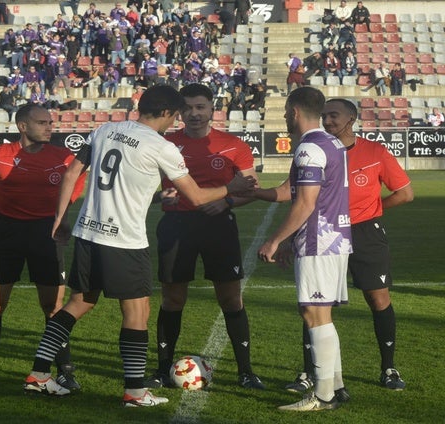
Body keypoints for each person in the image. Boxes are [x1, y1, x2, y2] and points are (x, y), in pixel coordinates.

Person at [22, 85, 256, 406]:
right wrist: (232, 186)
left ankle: (39, 374)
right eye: (175, 115)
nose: (175, 121)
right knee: (137, 312)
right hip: (124, 240)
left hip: (88, 231)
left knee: (78, 303)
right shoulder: (162, 147)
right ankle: (134, 392)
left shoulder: (106, 129)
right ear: (165, 113)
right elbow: (198, 197)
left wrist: (60, 218)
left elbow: (71, 173)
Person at [284, 98, 413, 400]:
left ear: (352, 118)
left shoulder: (374, 152)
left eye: (334, 115)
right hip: (329, 232)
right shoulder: (321, 149)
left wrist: (370, 211)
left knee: (377, 298)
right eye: (325, 115)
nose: (328, 121)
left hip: (365, 232)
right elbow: (297, 191)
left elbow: (405, 193)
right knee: (318, 302)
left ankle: (389, 368)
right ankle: (310, 373)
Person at [144, 84, 264, 391]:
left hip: (219, 226)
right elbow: (148, 188)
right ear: (179, 112)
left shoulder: (233, 145)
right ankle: (161, 369)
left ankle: (246, 371)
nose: (194, 114)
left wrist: (226, 202)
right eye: (187, 108)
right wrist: (162, 198)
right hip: (176, 225)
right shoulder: (165, 144)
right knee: (173, 299)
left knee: (230, 297)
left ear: (212, 109)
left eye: (200, 107)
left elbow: (251, 187)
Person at [0, 103, 86, 392]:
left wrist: (64, 207)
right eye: (42, 122)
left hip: (46, 233)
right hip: (7, 233)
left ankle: (65, 371)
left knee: (52, 306)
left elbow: (80, 179)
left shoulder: (62, 157)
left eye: (50, 122)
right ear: (23, 126)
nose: (50, 127)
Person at [256, 86, 351, 412]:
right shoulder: (333, 143)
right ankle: (334, 387)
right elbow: (290, 192)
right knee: (319, 313)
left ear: (295, 112)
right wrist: (256, 194)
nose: (284, 116)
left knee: (314, 314)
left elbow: (306, 203)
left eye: (285, 111)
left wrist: (275, 240)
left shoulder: (309, 148)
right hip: (335, 239)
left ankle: (323, 396)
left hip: (318, 241)